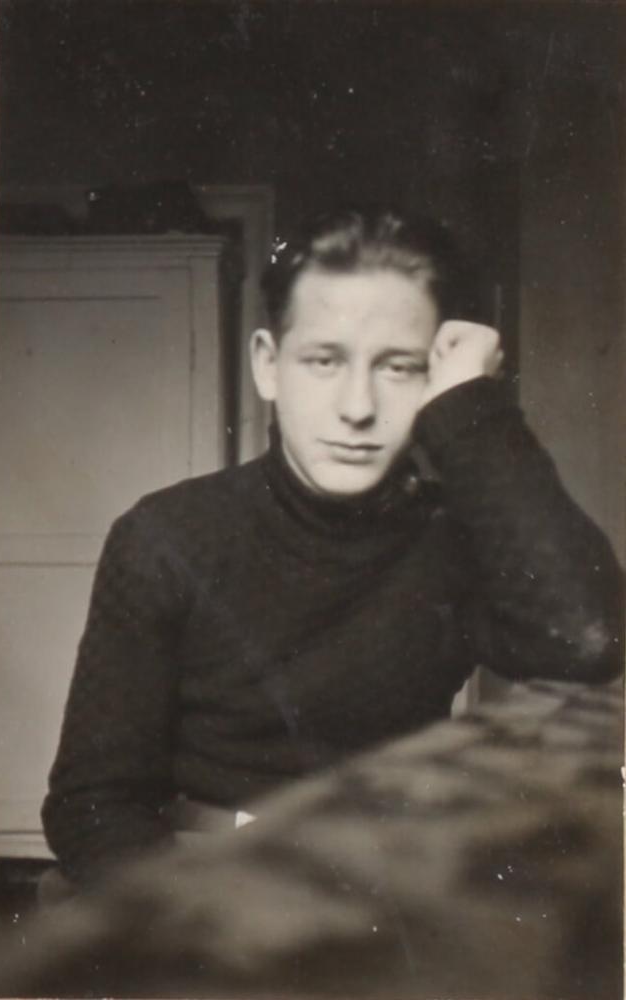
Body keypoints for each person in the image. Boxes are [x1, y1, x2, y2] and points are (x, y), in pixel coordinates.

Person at [42, 207, 623, 887]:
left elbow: (587, 640)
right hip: (198, 893)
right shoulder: (165, 537)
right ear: (269, 366)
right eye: (324, 360)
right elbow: (91, 806)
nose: (357, 407)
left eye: (399, 368)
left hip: (391, 887)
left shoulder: (450, 538)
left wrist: (473, 408)